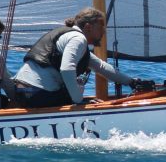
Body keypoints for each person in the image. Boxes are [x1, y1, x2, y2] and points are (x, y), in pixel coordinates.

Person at [13, 7, 149, 108]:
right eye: (101, 27)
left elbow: (101, 67)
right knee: (78, 96)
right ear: (88, 27)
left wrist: (131, 82)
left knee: (74, 92)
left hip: (22, 92)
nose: (104, 32)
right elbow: (67, 69)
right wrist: (78, 101)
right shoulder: (78, 39)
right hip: (38, 94)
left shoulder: (71, 37)